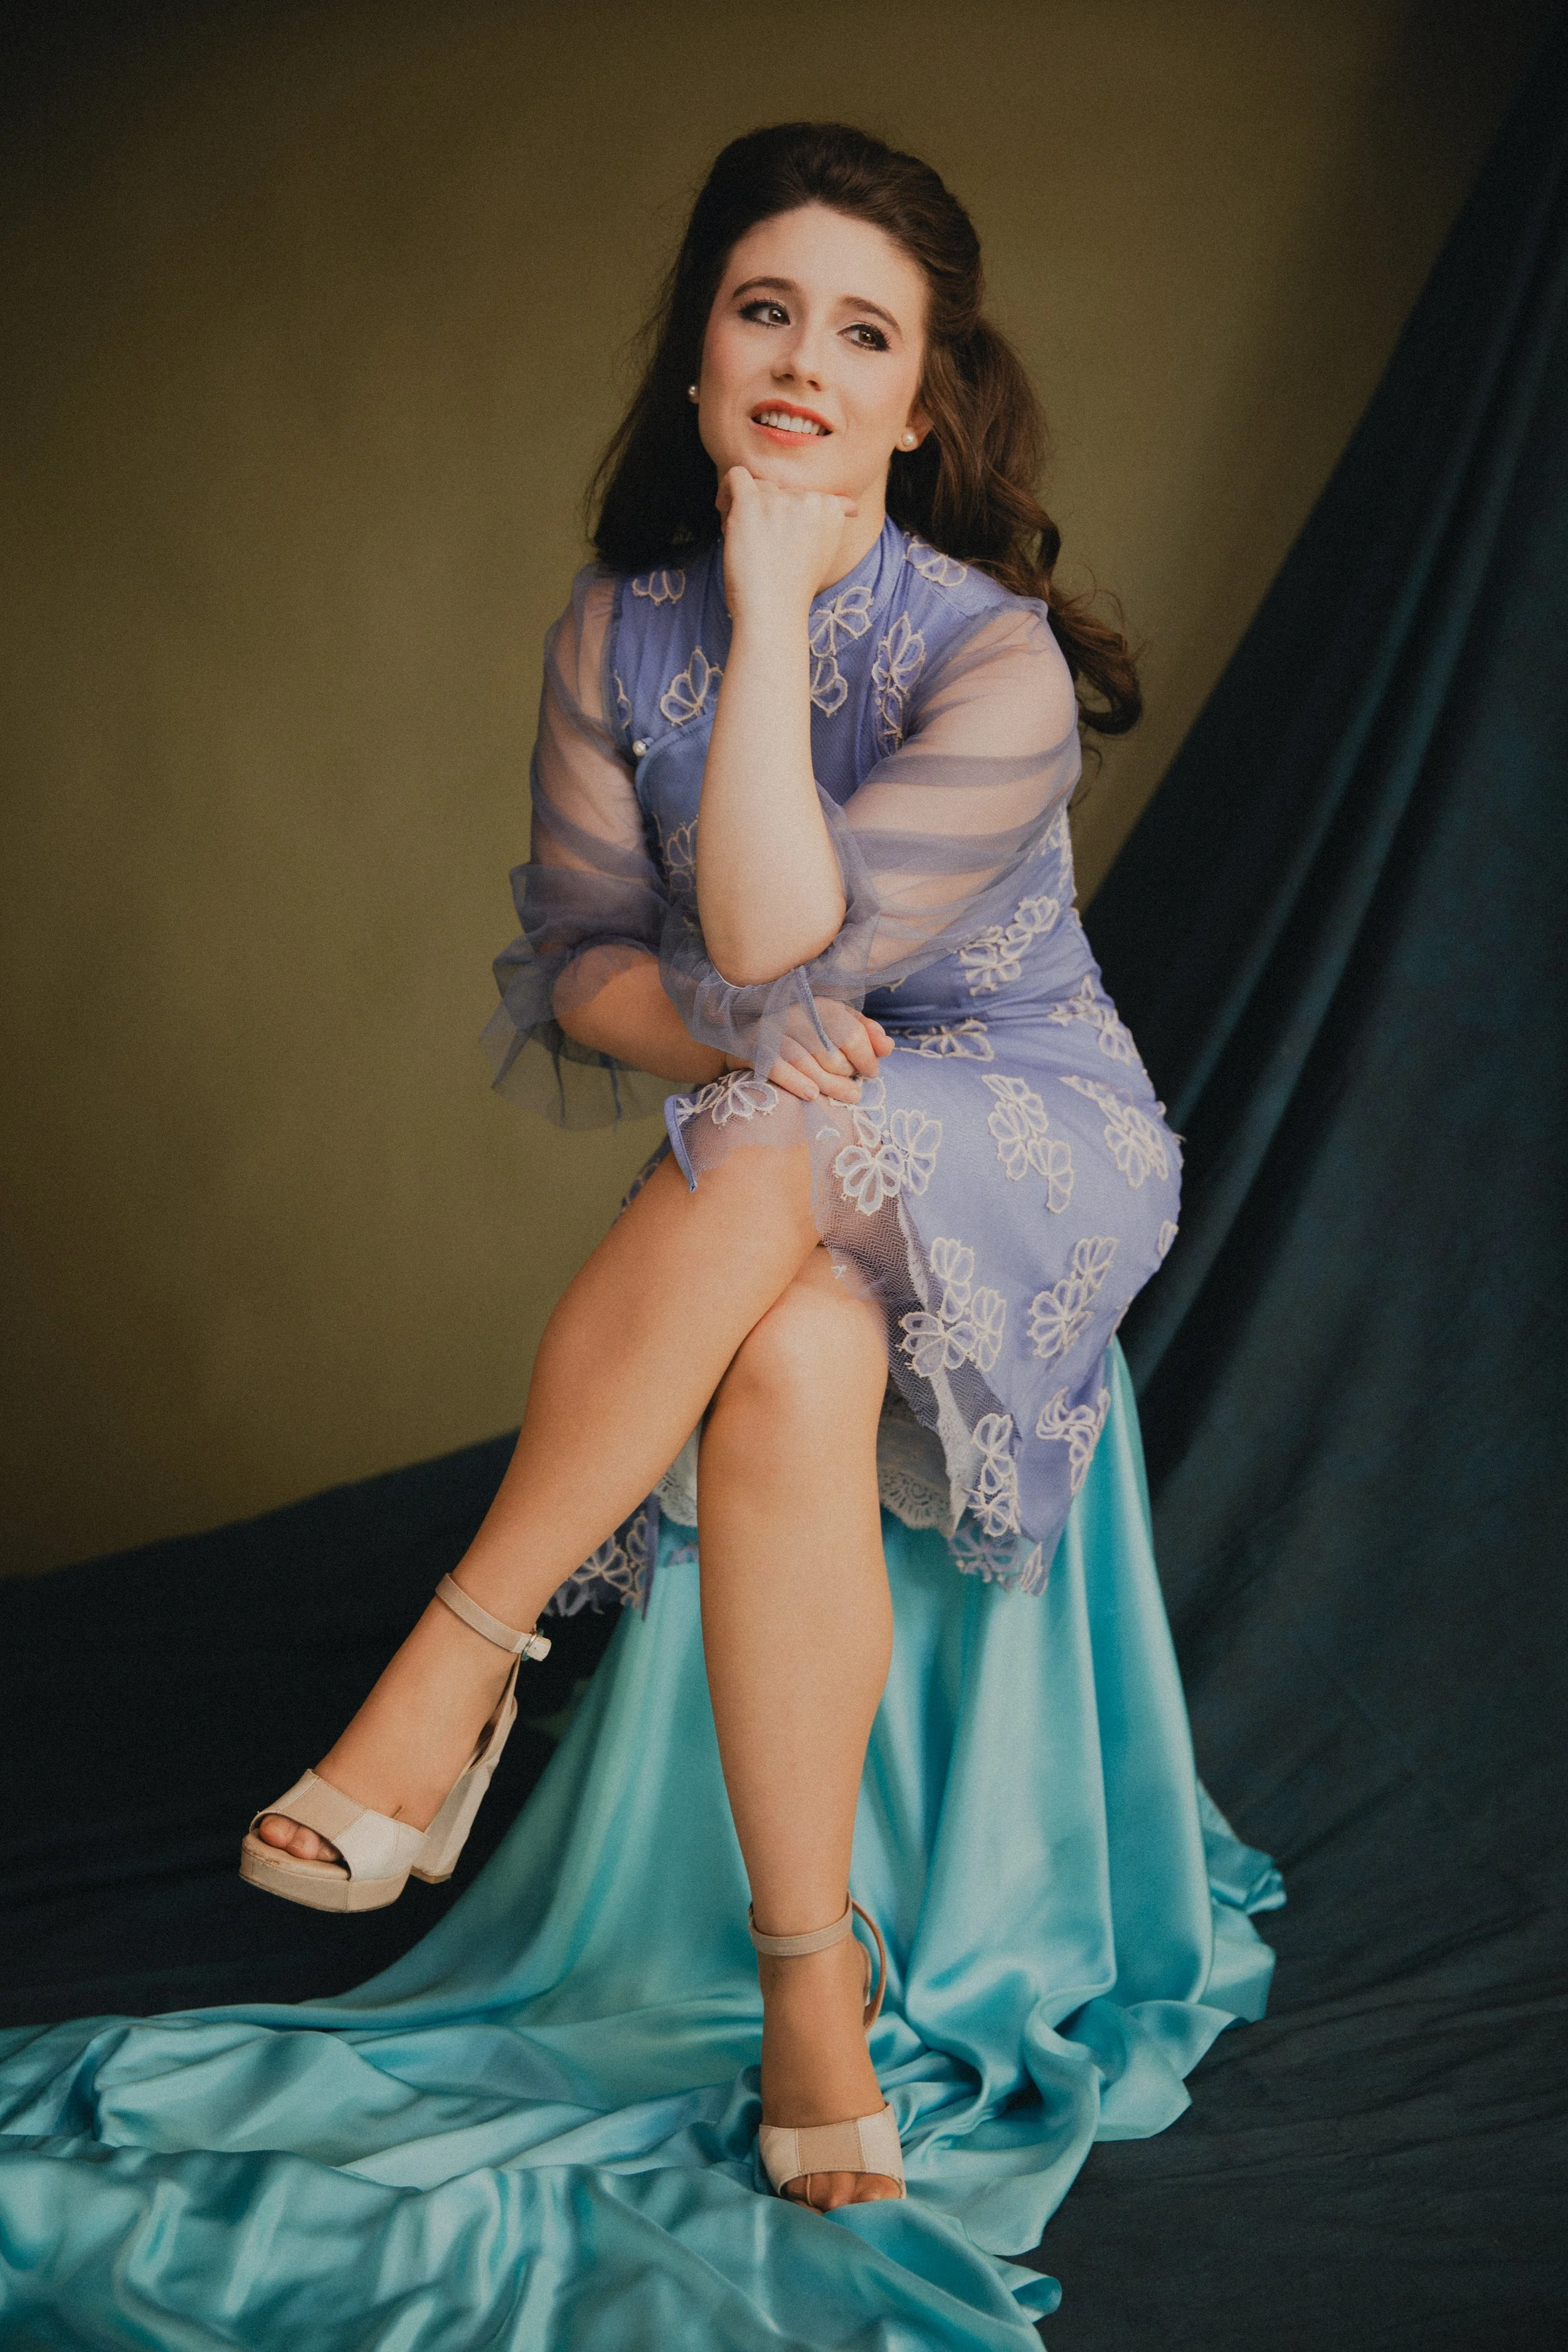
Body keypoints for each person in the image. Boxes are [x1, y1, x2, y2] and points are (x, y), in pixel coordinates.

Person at [239, 119, 1182, 2217]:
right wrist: (742, 1038)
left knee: (772, 1122)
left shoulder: (991, 653)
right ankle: (805, 1990)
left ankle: (457, 1660)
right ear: (698, 356)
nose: (804, 364)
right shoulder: (607, 635)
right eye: (766, 312)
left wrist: (766, 612)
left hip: (1028, 1118)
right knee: (791, 1353)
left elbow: (771, 942)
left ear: (917, 406)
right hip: (790, 1126)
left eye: (863, 335)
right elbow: (592, 967)